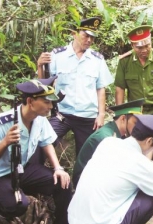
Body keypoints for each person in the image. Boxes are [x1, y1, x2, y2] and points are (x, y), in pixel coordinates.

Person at [0, 77, 73, 224]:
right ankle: (0, 207)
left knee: (62, 183)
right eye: (46, 102)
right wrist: (5, 142)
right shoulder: (0, 122)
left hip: (22, 171)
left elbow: (46, 142)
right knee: (18, 205)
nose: (50, 107)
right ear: (30, 101)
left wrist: (58, 168)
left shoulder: (40, 120)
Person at [37, 17, 114, 156]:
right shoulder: (57, 55)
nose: (89, 40)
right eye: (86, 36)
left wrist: (101, 114)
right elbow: (44, 84)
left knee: (85, 157)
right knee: (42, 144)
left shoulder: (97, 59)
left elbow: (100, 88)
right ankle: (44, 176)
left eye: (92, 37)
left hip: (87, 115)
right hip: (62, 113)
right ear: (74, 33)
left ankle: (78, 178)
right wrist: (40, 65)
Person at [72, 98, 144, 188]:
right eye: (135, 123)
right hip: (85, 183)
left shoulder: (116, 133)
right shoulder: (107, 137)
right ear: (123, 119)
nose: (137, 127)